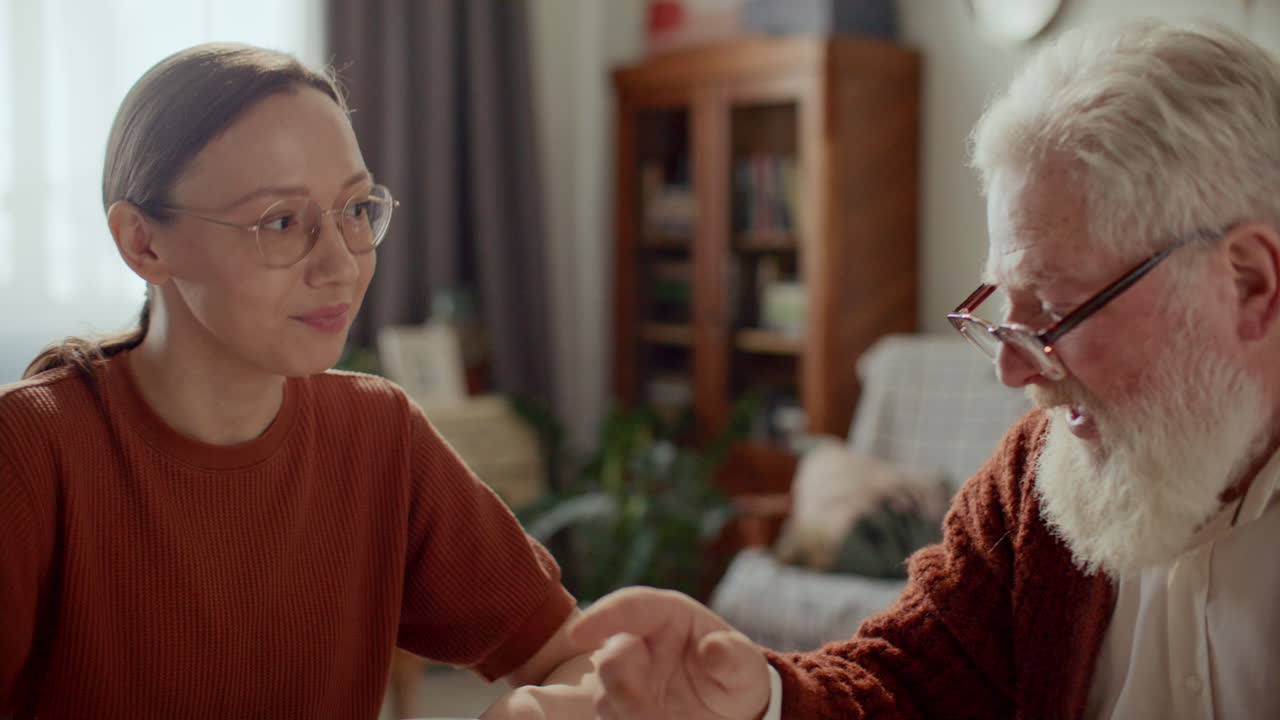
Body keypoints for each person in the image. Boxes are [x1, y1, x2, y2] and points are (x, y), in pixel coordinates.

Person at [569, 19, 1280, 720]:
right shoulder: (1038, 478)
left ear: (1248, 284)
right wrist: (760, 698)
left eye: (1058, 308)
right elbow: (905, 685)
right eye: (1003, 301)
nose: (1011, 369)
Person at [0, 43, 598, 719]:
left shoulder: (379, 435)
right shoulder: (29, 449)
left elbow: (571, 657)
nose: (341, 266)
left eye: (355, 210)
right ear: (144, 242)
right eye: (281, 222)